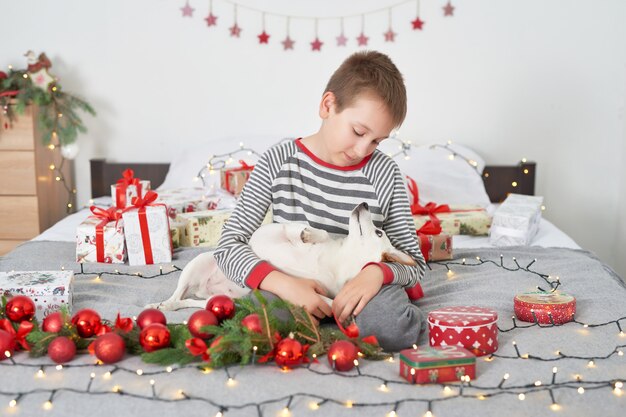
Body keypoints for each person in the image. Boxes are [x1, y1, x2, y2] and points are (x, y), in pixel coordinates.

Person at [214, 50, 426, 351]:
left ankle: (332, 330)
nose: (363, 149)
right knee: (260, 321)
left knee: (394, 328)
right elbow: (229, 246)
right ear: (328, 105)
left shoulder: (386, 173)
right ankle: (330, 330)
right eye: (358, 132)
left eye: (377, 141)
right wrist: (282, 284)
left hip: (360, 286)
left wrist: (377, 273)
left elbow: (414, 262)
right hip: (294, 282)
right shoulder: (279, 160)